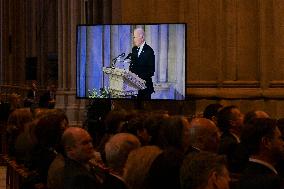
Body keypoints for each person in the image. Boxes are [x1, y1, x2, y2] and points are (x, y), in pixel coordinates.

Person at [129, 27, 155, 99]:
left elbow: (151, 71)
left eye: (135, 37)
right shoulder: (134, 49)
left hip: (144, 88)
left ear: (142, 37)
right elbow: (131, 67)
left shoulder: (149, 51)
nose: (134, 40)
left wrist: (138, 78)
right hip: (133, 87)